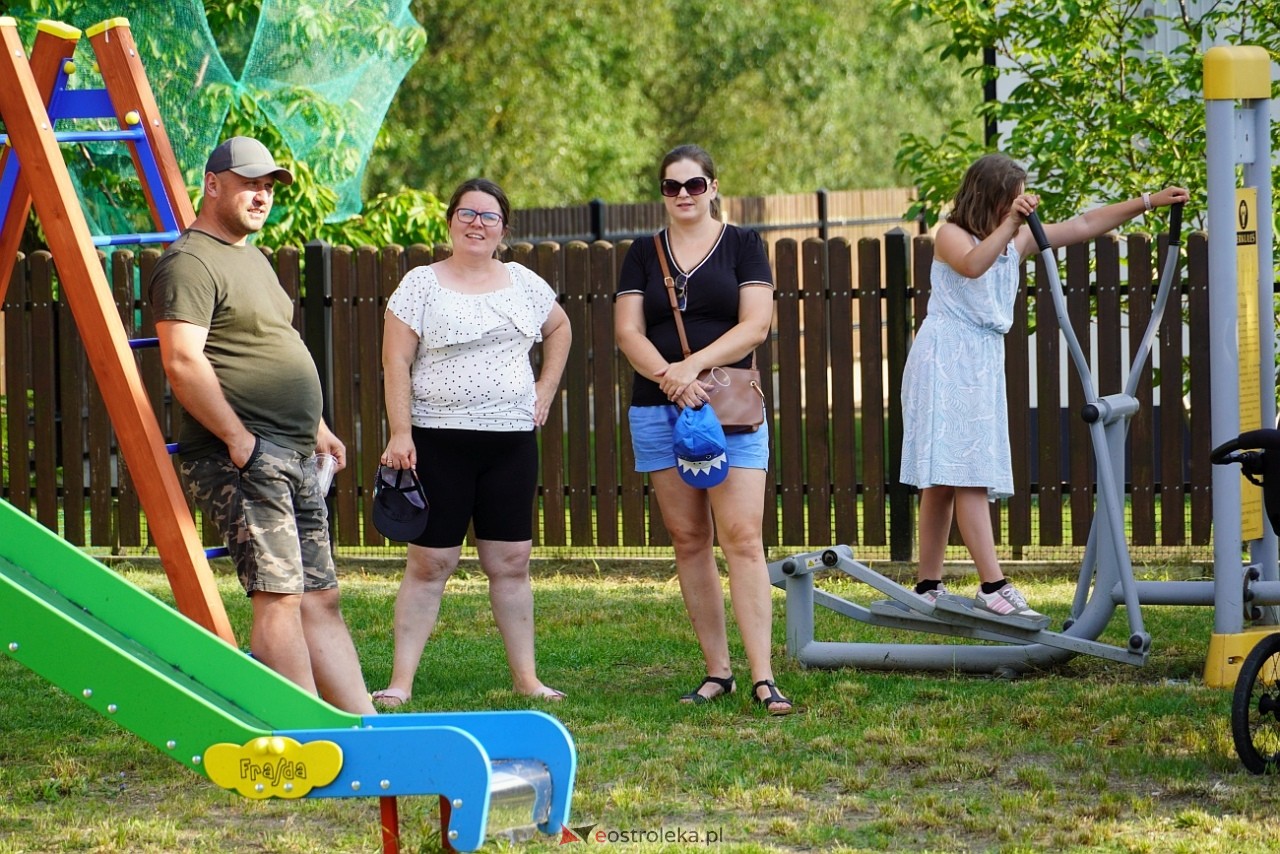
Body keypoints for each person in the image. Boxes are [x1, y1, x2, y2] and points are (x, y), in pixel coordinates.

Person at [899, 152, 1189, 619]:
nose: (1020, 206)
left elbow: (1084, 224)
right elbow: (973, 265)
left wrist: (1148, 201)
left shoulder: (1016, 241)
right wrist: (1010, 225)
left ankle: (927, 585)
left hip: (980, 361)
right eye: (1011, 198)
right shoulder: (951, 233)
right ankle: (992, 585)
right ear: (990, 197)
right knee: (960, 472)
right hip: (944, 359)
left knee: (949, 476)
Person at [149, 136, 375, 715]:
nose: (261, 195)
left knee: (321, 597)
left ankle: (362, 729)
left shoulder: (252, 257)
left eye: (269, 186)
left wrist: (317, 424)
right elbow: (182, 361)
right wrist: (239, 440)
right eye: (250, 183)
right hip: (242, 459)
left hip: (295, 452)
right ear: (213, 184)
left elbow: (273, 342)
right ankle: (301, 729)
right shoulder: (190, 262)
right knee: (278, 598)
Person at [374, 178, 571, 707]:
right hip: (437, 441)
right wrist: (400, 433)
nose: (477, 224)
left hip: (509, 442)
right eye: (467, 214)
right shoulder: (421, 284)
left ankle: (527, 680)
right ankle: (400, 683)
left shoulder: (524, 283)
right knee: (430, 564)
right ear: (450, 222)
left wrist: (544, 391)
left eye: (488, 216)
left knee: (511, 562)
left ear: (504, 229)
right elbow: (395, 361)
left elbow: (560, 329)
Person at [614, 144, 793, 715]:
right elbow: (628, 332)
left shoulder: (743, 245)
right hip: (658, 406)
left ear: (714, 186)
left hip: (730, 406)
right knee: (690, 541)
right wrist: (671, 379)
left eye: (694, 185)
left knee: (741, 538)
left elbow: (756, 326)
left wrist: (693, 369)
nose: (683, 195)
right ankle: (718, 670)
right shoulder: (644, 253)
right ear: (662, 194)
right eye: (671, 187)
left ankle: (764, 676)